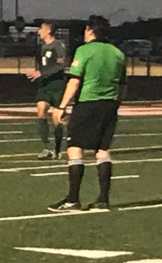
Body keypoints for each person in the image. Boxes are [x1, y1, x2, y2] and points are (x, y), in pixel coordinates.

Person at [49, 15, 127, 212]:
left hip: (87, 103)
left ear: (91, 30)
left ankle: (73, 199)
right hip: (110, 104)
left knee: (75, 147)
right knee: (102, 150)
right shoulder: (117, 53)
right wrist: (116, 103)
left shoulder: (84, 51)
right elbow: (123, 85)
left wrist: (61, 106)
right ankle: (102, 199)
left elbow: (74, 80)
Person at [25, 21, 67, 159]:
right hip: (44, 86)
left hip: (57, 86)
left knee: (56, 118)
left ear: (48, 31)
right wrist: (39, 72)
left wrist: (42, 73)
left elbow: (60, 66)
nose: (39, 31)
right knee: (41, 110)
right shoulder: (41, 48)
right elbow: (43, 67)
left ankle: (57, 149)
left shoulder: (58, 46)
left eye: (41, 28)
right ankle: (46, 147)